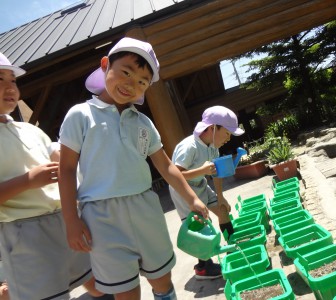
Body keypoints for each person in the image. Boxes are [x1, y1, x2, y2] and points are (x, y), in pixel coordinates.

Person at [58, 37, 208, 299]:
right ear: (105, 65)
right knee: (125, 291)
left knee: (162, 278)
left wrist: (192, 198)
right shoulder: (80, 115)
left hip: (145, 208)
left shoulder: (143, 123)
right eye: (125, 72)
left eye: (141, 82)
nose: (131, 84)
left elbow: (165, 165)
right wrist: (71, 219)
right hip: (100, 218)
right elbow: (67, 169)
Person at [0, 52, 107, 299]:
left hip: (64, 218)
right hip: (23, 232)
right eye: (0, 79)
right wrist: (30, 180)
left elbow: (58, 155)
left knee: (99, 281)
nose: (9, 86)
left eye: (13, 80)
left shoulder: (28, 129)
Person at [169, 105, 245, 279]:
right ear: (212, 128)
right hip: (183, 190)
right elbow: (174, 176)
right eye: (227, 133)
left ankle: (233, 249)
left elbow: (215, 173)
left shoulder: (212, 146)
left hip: (200, 184)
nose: (228, 138)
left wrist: (221, 197)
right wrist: (201, 171)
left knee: (223, 211)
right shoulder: (189, 146)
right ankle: (203, 267)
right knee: (200, 224)